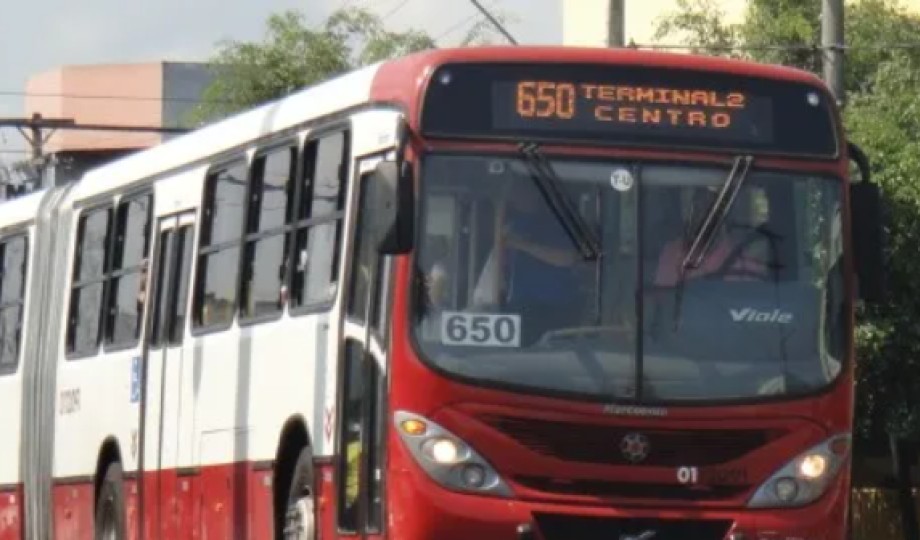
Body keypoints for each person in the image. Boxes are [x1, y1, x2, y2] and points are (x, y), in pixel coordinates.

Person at [654, 186, 767, 287]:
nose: (700, 217)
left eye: (707, 211)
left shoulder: (743, 262)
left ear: (723, 218)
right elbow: (662, 301)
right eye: (696, 209)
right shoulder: (672, 252)